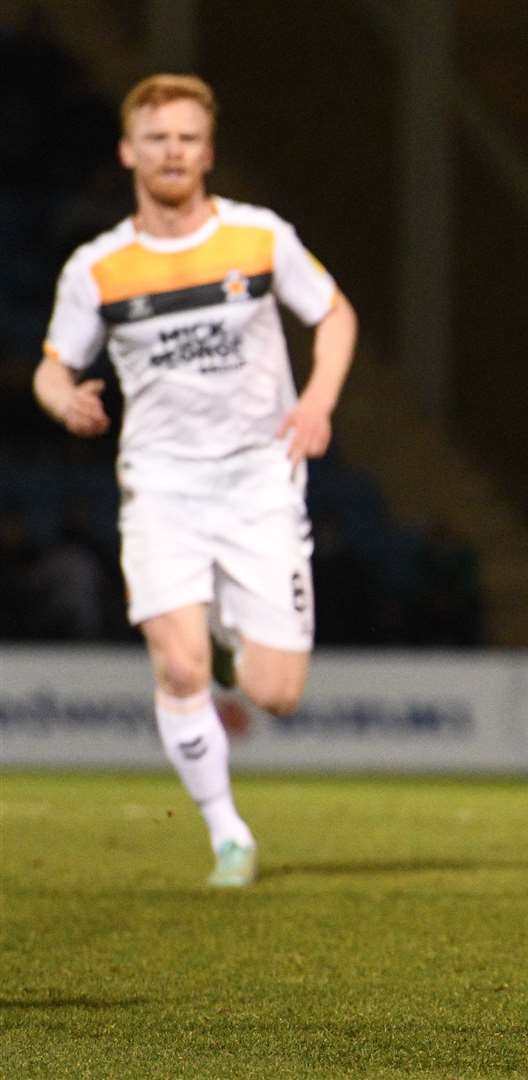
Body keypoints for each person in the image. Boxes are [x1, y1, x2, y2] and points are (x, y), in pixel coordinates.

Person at [33, 74, 358, 887]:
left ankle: (227, 644)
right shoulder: (99, 268)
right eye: (157, 138)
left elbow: (336, 314)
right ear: (128, 151)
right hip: (162, 488)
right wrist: (62, 398)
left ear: (207, 152)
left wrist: (316, 402)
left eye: (186, 138)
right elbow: (50, 365)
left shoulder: (258, 238)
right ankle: (228, 836)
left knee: (274, 693)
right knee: (176, 669)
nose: (172, 151)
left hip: (259, 481)